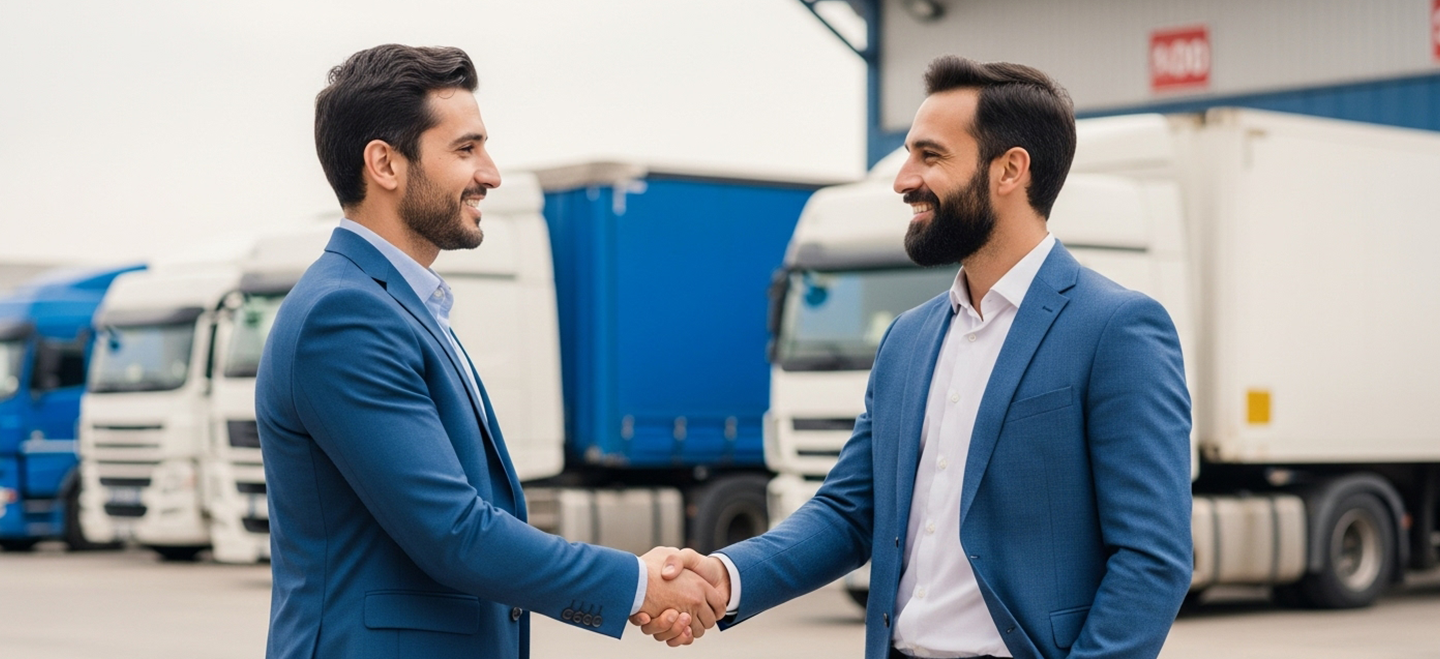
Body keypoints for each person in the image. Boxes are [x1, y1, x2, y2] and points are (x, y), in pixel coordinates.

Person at [636, 55, 1193, 659]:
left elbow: (1152, 557)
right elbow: (849, 512)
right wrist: (724, 577)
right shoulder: (907, 339)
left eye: (930, 156)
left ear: (1010, 170)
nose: (903, 179)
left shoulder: (1116, 328)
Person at [255, 44, 720, 659]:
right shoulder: (344, 316)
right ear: (385, 165)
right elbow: (454, 532)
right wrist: (637, 585)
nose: (492, 174)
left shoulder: (397, 303)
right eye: (466, 149)